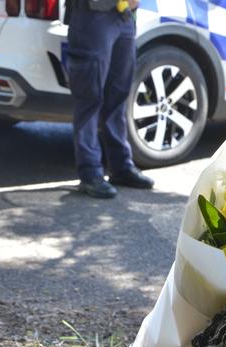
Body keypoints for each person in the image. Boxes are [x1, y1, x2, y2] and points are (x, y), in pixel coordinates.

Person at [65, 0, 154, 198]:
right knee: (89, 98)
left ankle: (121, 167)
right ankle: (90, 173)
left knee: (118, 96)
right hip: (92, 14)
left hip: (123, 16)